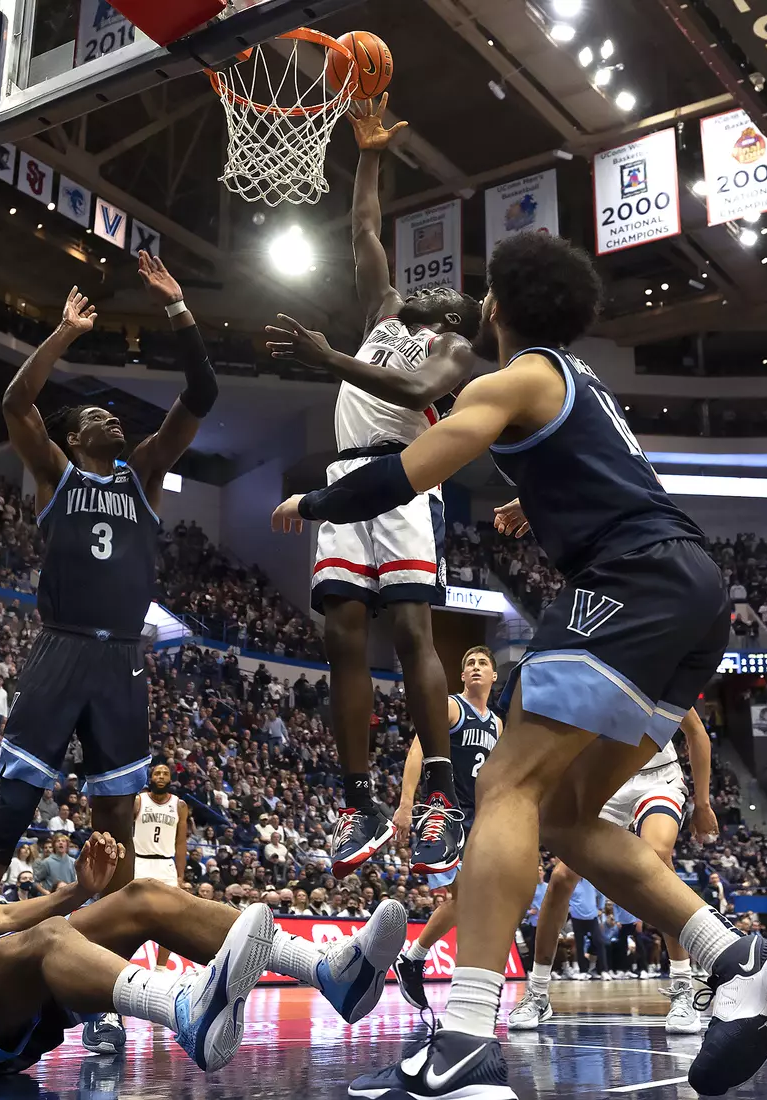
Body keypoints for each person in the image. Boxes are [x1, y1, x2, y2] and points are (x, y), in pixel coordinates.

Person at [269, 232, 767, 1099]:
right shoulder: (577, 381)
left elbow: (406, 474)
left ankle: (467, 1037)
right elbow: (604, 469)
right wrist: (540, 494)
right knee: (559, 815)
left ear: (497, 307)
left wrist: (318, 499)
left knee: (504, 793)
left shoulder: (513, 378)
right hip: (694, 592)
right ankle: (734, 954)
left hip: (628, 582)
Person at [0, 775, 409, 1077]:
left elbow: (1, 919)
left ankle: (334, 973)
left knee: (142, 895)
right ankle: (184, 1009)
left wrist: (77, 891)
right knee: (44, 940)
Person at [0, 257, 214, 909]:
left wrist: (178, 307)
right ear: (75, 437)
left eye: (115, 415)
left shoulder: (146, 473)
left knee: (115, 817)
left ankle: (111, 968)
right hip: (63, 644)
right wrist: (64, 334)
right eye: (98, 416)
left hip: (124, 658)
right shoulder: (57, 474)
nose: (113, 418)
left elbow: (203, 393)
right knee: (17, 796)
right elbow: (17, 402)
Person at [288, 96, 479, 876]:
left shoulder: (458, 350)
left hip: (402, 478)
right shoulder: (385, 311)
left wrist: (331, 360)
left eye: (454, 294)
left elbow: (411, 394)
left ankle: (439, 783)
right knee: (341, 633)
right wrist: (367, 153)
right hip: (344, 472)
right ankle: (356, 794)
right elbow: (364, 230)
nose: (437, 289)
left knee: (409, 631)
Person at [508, 708, 719, 1035]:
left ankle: (682, 988)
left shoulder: (665, 673)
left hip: (658, 779)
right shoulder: (596, 676)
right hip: (604, 785)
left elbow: (697, 735)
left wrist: (702, 805)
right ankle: (537, 992)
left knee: (659, 855)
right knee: (563, 877)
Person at [392, 646, 500, 1011]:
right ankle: (452, 977)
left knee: (469, 901)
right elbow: (417, 751)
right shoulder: (451, 706)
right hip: (445, 815)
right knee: (468, 898)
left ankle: (415, 959)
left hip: (479, 817)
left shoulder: (497, 724)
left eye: (482, 663)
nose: (474, 667)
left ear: (494, 676)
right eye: (469, 663)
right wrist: (406, 804)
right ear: (462, 675)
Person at [124, 761, 188, 1021]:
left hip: (165, 864)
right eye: (156, 773)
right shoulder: (138, 801)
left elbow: (181, 841)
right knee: (130, 918)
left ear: (170, 778)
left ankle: (160, 970)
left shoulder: (180, 805)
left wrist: (181, 875)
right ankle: (124, 968)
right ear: (150, 777)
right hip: (140, 861)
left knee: (170, 921)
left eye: (165, 773)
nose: (160, 776)